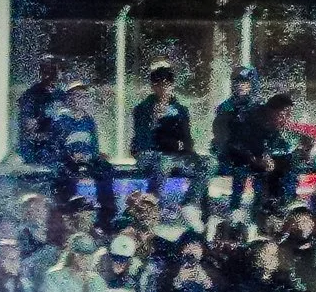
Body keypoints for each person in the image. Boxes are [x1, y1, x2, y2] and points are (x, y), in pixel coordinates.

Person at [129, 64, 205, 206]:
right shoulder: (143, 110)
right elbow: (142, 140)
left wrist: (186, 151)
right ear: (153, 87)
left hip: (174, 156)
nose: (163, 89)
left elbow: (187, 140)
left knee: (207, 164)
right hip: (149, 155)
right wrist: (154, 120)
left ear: (172, 86)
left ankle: (190, 205)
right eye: (159, 84)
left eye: (167, 84)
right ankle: (152, 203)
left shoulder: (181, 110)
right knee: (162, 161)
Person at [46, 81, 117, 214]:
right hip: (68, 161)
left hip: (87, 160)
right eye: (77, 96)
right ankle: (68, 208)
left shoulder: (88, 121)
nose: (82, 100)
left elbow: (94, 146)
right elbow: (55, 146)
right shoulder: (61, 120)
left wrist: (95, 155)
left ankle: (107, 210)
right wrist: (71, 155)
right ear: (69, 99)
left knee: (105, 169)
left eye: (84, 96)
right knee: (66, 173)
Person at [243, 93, 306, 224]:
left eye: (288, 115)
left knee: (288, 163)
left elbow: (296, 143)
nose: (286, 119)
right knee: (266, 175)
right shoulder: (254, 127)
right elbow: (248, 146)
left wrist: (306, 149)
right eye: (282, 114)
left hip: (278, 168)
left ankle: (286, 202)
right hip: (252, 165)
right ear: (270, 112)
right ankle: (261, 212)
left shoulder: (281, 132)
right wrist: (259, 156)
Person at [211, 65, 263, 217]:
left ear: (252, 84)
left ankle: (260, 209)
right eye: (237, 82)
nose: (240, 85)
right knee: (242, 167)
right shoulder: (225, 107)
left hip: (253, 155)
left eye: (245, 82)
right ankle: (235, 208)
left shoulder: (259, 107)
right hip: (231, 155)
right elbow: (221, 136)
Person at [17, 55, 68, 166]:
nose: (52, 74)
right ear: (41, 72)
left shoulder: (62, 95)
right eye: (47, 70)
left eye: (57, 70)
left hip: (58, 150)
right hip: (38, 152)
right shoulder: (31, 96)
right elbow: (28, 130)